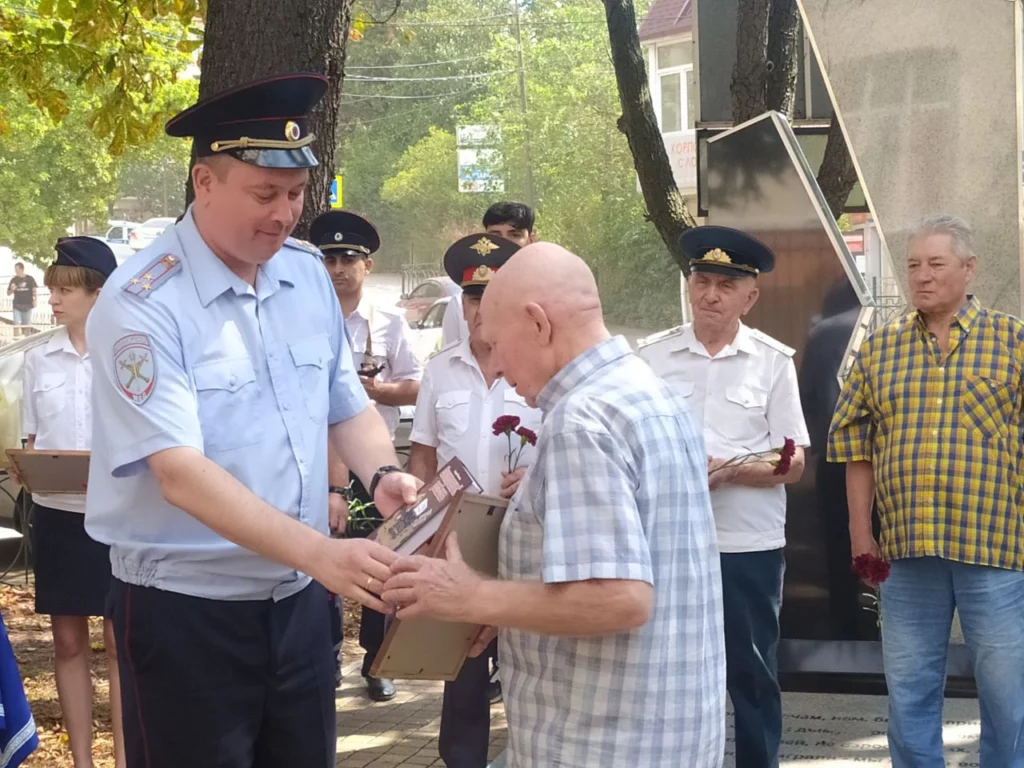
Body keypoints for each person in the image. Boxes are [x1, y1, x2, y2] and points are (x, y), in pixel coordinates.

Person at [83, 73, 421, 768]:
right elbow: (179, 474)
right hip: (187, 611)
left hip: (296, 606)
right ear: (204, 182)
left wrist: (381, 472)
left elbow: (343, 402)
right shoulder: (144, 302)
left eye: (296, 194)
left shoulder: (302, 276)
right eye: (264, 194)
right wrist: (322, 554)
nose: (284, 215)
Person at [383, 243, 726, 767]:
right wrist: (511, 609)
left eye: (496, 344)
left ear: (538, 324)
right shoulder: (646, 393)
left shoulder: (580, 421)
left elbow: (618, 600)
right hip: (667, 733)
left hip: (597, 740)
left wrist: (472, 597)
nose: (495, 368)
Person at [828, 214, 1024, 768]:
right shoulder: (879, 351)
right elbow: (853, 447)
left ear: (969, 268)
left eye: (936, 263)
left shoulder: (1013, 342)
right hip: (906, 556)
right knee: (910, 692)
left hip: (997, 551)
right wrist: (862, 536)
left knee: (1009, 696)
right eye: (913, 264)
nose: (922, 275)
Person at [638, 226, 809, 768]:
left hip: (746, 547)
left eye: (725, 285)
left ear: (749, 297)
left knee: (752, 673)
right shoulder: (651, 358)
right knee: (668, 674)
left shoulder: (772, 362)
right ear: (690, 286)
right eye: (702, 280)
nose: (711, 294)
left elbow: (793, 462)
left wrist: (729, 470)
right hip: (669, 544)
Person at [407, 232, 541, 768]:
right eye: (470, 299)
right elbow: (422, 457)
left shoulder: (535, 368)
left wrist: (533, 478)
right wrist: (419, 533)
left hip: (526, 532)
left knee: (531, 663)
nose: (479, 310)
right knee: (462, 669)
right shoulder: (440, 371)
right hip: (460, 540)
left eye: (490, 298)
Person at [309, 209, 422, 700]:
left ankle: (378, 661)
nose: (338, 268)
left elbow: (418, 385)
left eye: (347, 259)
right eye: (329, 258)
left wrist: (377, 392)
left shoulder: (389, 321)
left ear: (367, 266)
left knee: (383, 561)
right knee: (321, 560)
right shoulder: (304, 316)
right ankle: (325, 655)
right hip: (315, 464)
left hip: (375, 464)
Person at [21, 237, 123, 768]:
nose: (55, 300)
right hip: (58, 515)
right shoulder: (40, 360)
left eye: (65, 290)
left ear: (98, 294)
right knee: (66, 643)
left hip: (116, 517)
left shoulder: (127, 357)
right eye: (52, 290)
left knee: (119, 644)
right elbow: (32, 441)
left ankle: (128, 758)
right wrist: (28, 463)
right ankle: (82, 760)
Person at [440, 202, 536, 349]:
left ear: (531, 240)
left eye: (514, 235)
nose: (503, 242)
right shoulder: (459, 305)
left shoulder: (546, 299)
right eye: (495, 235)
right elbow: (452, 363)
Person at [8, 262, 37, 336]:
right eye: (15, 269)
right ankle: (16, 339)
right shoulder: (14, 280)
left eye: (17, 269)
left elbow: (34, 290)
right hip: (17, 305)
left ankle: (26, 340)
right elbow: (8, 293)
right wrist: (12, 290)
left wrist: (35, 300)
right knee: (16, 323)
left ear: (22, 269)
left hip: (27, 305)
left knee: (26, 325)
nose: (16, 271)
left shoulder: (29, 279)